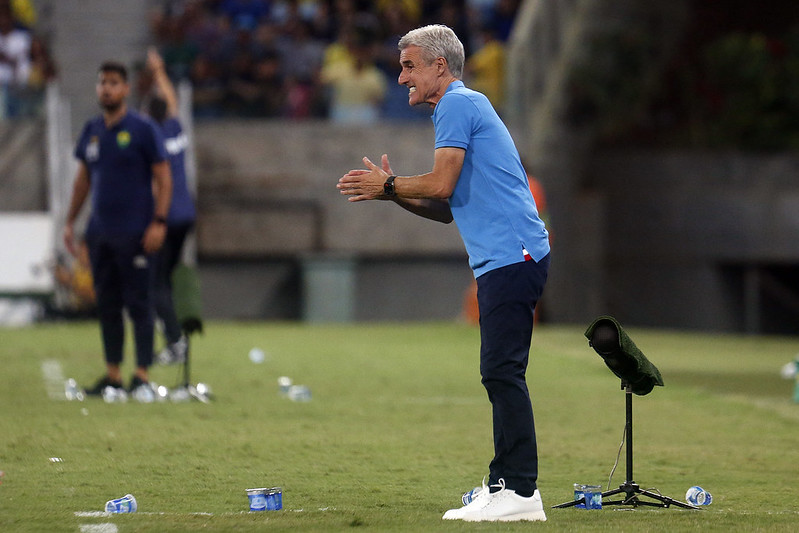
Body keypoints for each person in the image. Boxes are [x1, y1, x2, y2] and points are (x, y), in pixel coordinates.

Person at [337, 24, 550, 522]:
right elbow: (445, 206)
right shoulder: (461, 107)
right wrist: (392, 192)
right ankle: (504, 484)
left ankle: (521, 493)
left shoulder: (457, 103)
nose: (401, 76)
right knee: (499, 372)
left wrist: (388, 183)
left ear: (439, 66)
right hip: (508, 256)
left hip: (512, 255)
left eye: (409, 65)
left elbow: (441, 182)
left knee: (502, 372)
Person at [63, 60, 172, 396]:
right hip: (101, 233)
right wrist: (70, 222)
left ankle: (141, 375)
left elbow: (164, 178)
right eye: (102, 83)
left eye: (113, 82)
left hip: (138, 232)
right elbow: (83, 182)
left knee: (139, 304)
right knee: (107, 304)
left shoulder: (142, 129)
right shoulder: (92, 131)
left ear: (125, 89)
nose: (106, 88)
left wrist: (159, 222)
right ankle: (113, 376)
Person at [144, 47, 197, 365]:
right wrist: (159, 70)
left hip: (166, 215)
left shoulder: (149, 137)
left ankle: (176, 343)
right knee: (166, 278)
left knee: (155, 283)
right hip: (186, 214)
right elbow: (173, 102)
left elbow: (154, 182)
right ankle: (175, 340)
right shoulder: (174, 128)